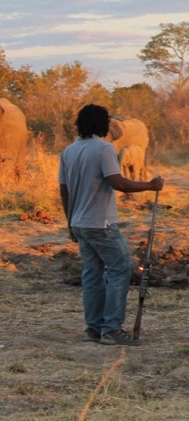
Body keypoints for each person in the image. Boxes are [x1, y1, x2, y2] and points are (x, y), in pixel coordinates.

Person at [58, 104, 164, 346]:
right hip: (101, 223)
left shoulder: (69, 151)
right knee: (120, 269)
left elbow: (63, 190)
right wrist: (150, 185)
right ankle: (112, 330)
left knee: (92, 274)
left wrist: (70, 221)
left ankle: (94, 328)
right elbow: (117, 182)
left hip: (79, 223)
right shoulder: (104, 148)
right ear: (104, 125)